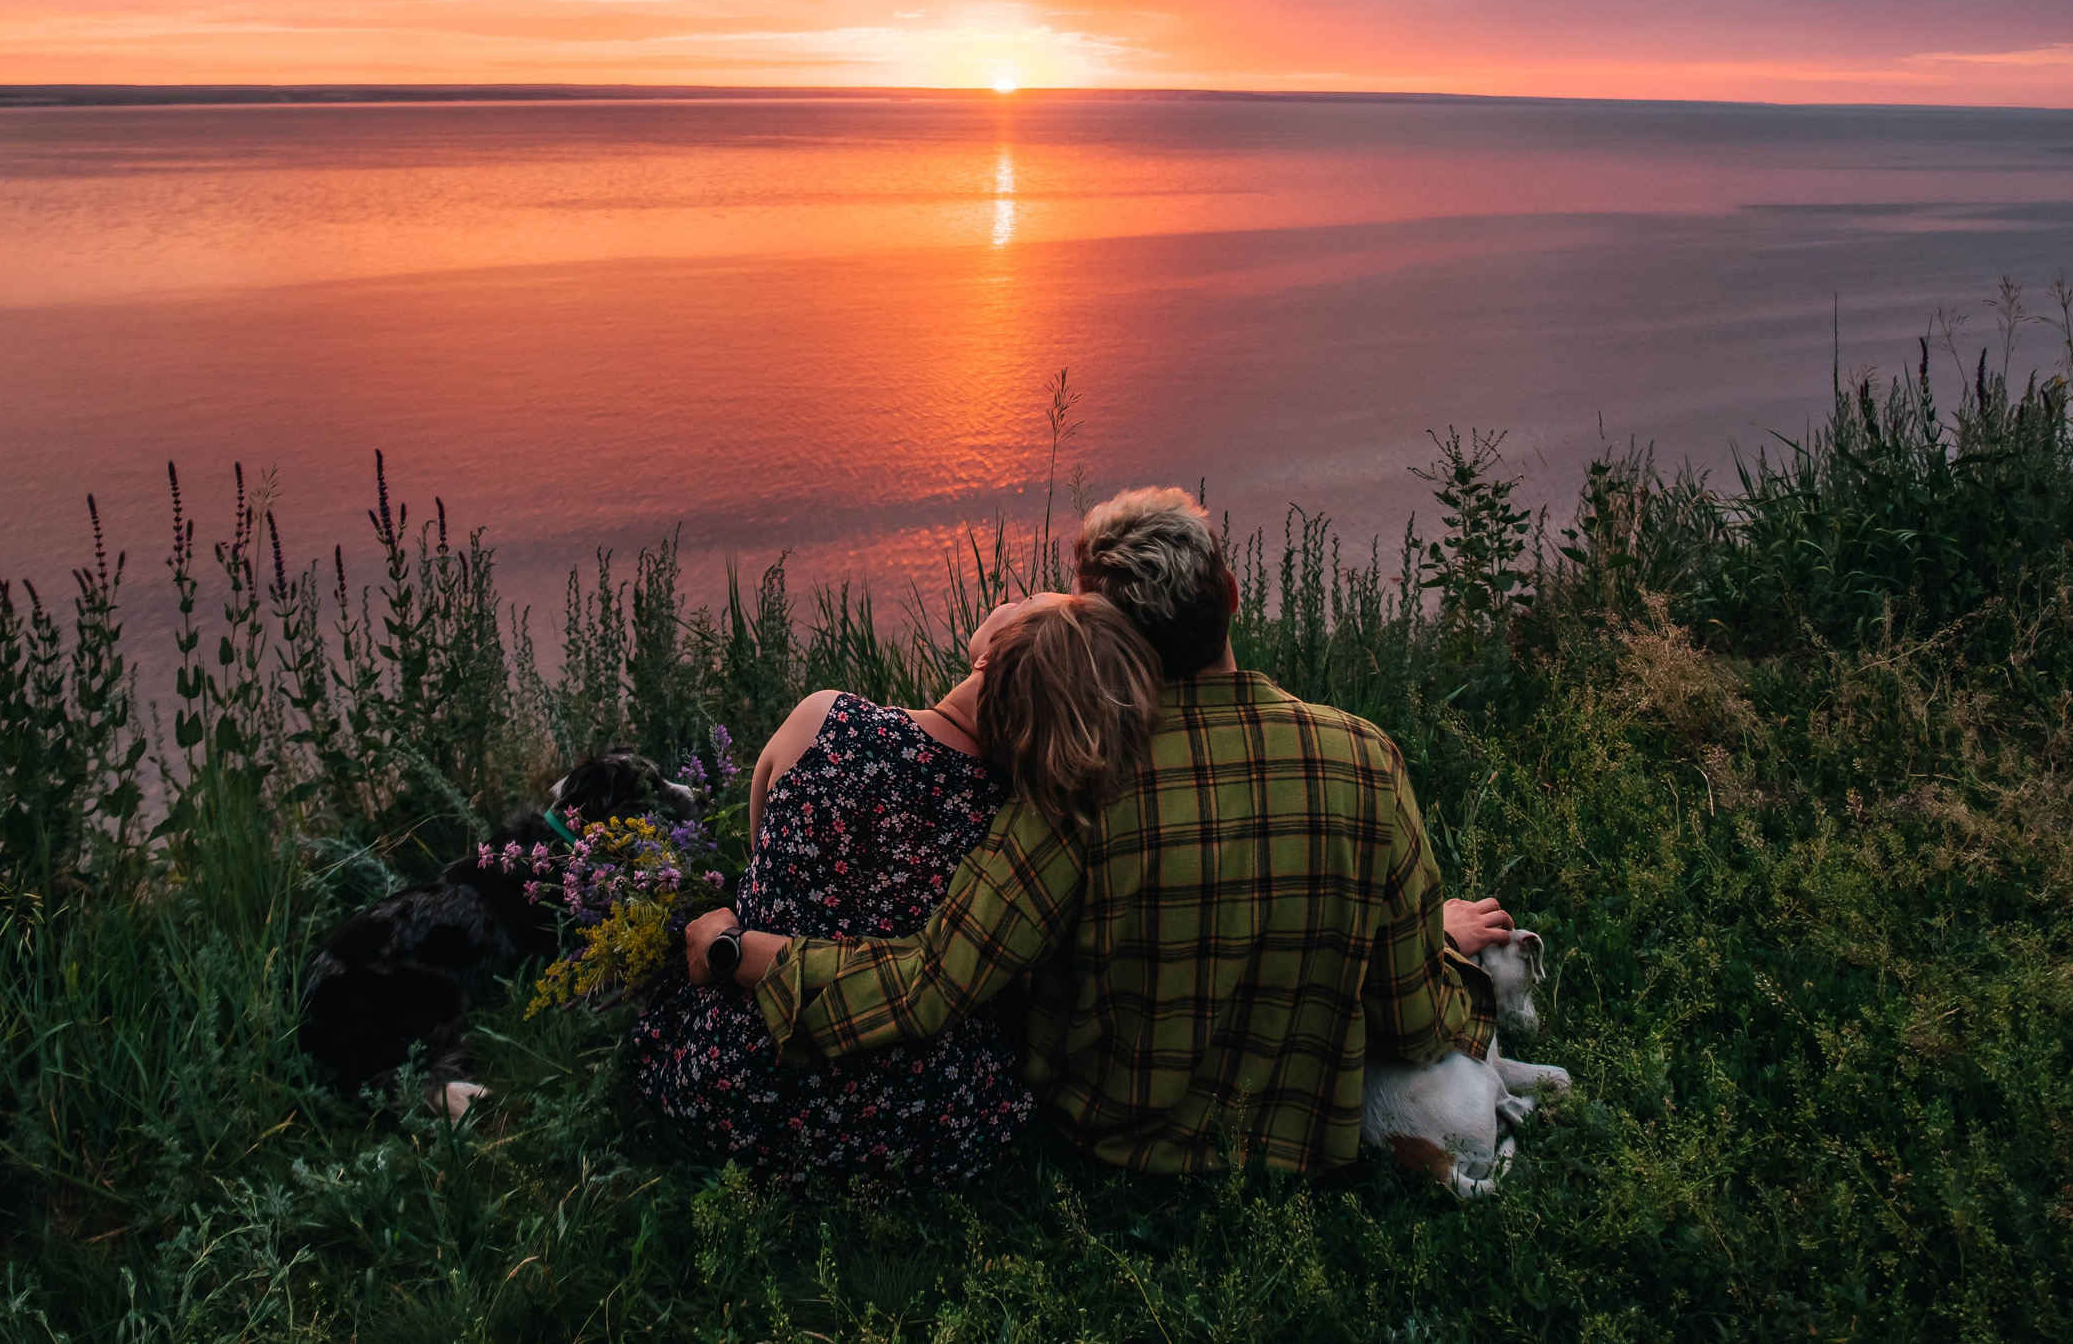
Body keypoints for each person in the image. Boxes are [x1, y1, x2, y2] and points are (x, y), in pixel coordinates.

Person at [686, 487, 1510, 1175]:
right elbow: (1416, 1022)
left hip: (1117, 1151)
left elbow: (929, 980)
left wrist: (744, 951)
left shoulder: (1073, 789)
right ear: (1230, 592)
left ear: (1103, 634)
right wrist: (1429, 944)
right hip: (1301, 1152)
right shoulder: (1366, 759)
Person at [629, 591, 1161, 1187]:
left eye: (1037, 601)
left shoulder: (823, 720)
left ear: (991, 660)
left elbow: (761, 874)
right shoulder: (1019, 828)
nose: (1023, 593)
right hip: (927, 1130)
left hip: (738, 1093)